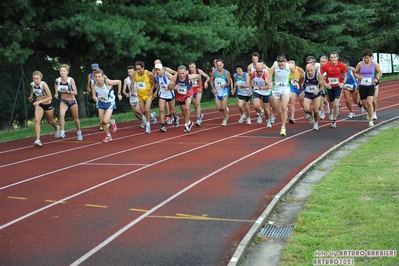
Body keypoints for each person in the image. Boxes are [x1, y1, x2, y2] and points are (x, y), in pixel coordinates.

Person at [266, 55, 298, 136]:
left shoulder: (289, 66)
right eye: (279, 65)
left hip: (285, 89)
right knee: (279, 111)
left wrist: (295, 81)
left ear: (285, 62)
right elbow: (267, 77)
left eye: (282, 65)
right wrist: (269, 83)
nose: (280, 66)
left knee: (284, 107)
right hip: (276, 90)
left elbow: (294, 71)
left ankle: (283, 127)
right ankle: (284, 110)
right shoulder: (274, 66)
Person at [29, 71, 60, 146]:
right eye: (34, 79)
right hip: (39, 105)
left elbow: (50, 97)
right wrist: (31, 96)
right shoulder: (32, 84)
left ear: (41, 78)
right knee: (37, 121)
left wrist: (39, 101)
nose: (35, 80)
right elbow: (33, 89)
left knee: (50, 121)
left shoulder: (44, 85)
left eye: (37, 79)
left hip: (48, 104)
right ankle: (38, 139)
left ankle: (57, 128)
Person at [90, 69, 122, 142]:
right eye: (96, 77)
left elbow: (119, 81)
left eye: (99, 77)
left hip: (110, 102)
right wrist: (94, 97)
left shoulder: (107, 82)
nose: (98, 78)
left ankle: (111, 121)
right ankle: (108, 136)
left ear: (102, 77)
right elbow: (93, 94)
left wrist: (119, 93)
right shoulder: (93, 83)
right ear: (94, 77)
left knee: (105, 120)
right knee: (102, 122)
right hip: (101, 102)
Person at [168, 65, 201, 133]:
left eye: (183, 73)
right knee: (183, 112)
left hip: (188, 93)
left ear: (185, 72)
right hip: (179, 95)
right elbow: (169, 87)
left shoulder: (188, 76)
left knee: (187, 107)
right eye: (180, 73)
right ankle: (189, 122)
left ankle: (186, 124)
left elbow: (199, 76)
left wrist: (198, 85)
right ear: (177, 72)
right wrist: (174, 88)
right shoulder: (175, 77)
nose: (181, 75)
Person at [354, 49, 382, 127]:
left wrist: (376, 78)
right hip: (362, 86)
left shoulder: (374, 64)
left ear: (371, 57)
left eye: (367, 58)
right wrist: (358, 77)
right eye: (364, 58)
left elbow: (379, 72)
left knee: (369, 103)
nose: (366, 59)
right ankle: (369, 112)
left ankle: (370, 120)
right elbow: (355, 72)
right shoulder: (360, 64)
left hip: (370, 86)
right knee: (364, 104)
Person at [53, 65, 82, 140]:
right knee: (61, 115)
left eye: (64, 71)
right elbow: (55, 85)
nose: (62, 72)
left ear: (67, 72)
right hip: (63, 100)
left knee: (75, 118)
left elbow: (75, 92)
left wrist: (69, 92)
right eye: (61, 71)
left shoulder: (70, 80)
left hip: (72, 101)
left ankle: (79, 132)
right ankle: (62, 131)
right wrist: (56, 93)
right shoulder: (57, 80)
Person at [320, 52, 347, 128]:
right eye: (331, 57)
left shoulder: (341, 65)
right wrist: (325, 84)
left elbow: (346, 76)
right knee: (331, 105)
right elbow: (320, 74)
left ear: (337, 58)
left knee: (335, 104)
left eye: (334, 57)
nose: (333, 59)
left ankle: (334, 121)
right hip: (330, 87)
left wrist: (343, 83)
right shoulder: (326, 65)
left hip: (338, 86)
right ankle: (337, 107)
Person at [154, 63, 179, 132]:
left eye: (159, 70)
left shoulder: (166, 74)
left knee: (172, 110)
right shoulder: (156, 76)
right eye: (156, 70)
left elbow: (174, 80)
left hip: (170, 94)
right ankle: (162, 125)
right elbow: (158, 84)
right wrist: (156, 91)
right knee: (161, 109)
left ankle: (176, 117)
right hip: (162, 94)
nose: (158, 71)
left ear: (162, 69)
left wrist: (171, 87)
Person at [133, 61, 156, 134]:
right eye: (137, 69)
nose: (138, 71)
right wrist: (132, 89)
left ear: (143, 68)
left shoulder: (148, 74)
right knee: (143, 111)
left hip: (148, 94)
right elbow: (132, 82)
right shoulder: (135, 74)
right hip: (140, 95)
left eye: (139, 69)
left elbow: (154, 82)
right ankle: (152, 115)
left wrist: (152, 89)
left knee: (147, 109)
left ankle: (148, 126)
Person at [86, 63, 109, 131]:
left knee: (104, 108)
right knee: (99, 108)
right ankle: (102, 123)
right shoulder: (90, 75)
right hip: (96, 93)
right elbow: (88, 84)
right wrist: (88, 88)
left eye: (95, 69)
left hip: (103, 93)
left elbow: (108, 82)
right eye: (93, 70)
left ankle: (105, 122)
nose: (94, 71)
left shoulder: (103, 76)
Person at [302, 63, 325, 130]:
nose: (310, 72)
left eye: (311, 70)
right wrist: (301, 91)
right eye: (308, 71)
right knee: (306, 109)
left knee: (316, 110)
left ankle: (316, 123)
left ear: (314, 69)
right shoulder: (304, 74)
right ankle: (311, 114)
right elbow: (300, 82)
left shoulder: (318, 75)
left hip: (316, 94)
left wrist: (318, 90)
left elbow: (322, 86)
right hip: (308, 93)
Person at [251, 62, 273, 127]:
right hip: (257, 91)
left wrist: (260, 87)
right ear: (255, 70)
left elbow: (269, 86)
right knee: (256, 105)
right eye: (257, 71)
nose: (259, 73)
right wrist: (251, 88)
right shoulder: (252, 73)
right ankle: (260, 113)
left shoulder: (266, 74)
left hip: (266, 91)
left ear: (262, 70)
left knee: (266, 109)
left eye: (260, 71)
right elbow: (250, 79)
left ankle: (268, 120)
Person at [210, 59, 231, 126]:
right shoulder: (214, 72)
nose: (219, 67)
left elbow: (229, 82)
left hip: (224, 91)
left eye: (220, 65)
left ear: (223, 65)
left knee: (223, 107)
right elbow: (211, 80)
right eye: (217, 65)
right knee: (219, 108)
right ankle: (226, 111)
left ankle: (225, 119)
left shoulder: (226, 72)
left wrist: (224, 85)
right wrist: (213, 88)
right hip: (217, 91)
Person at [188, 62, 210, 126]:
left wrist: (206, 82)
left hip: (198, 89)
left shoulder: (199, 71)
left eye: (192, 67)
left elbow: (208, 77)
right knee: (195, 105)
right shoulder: (187, 72)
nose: (191, 69)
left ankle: (198, 119)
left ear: (195, 66)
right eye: (190, 67)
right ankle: (200, 114)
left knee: (197, 103)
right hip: (191, 90)